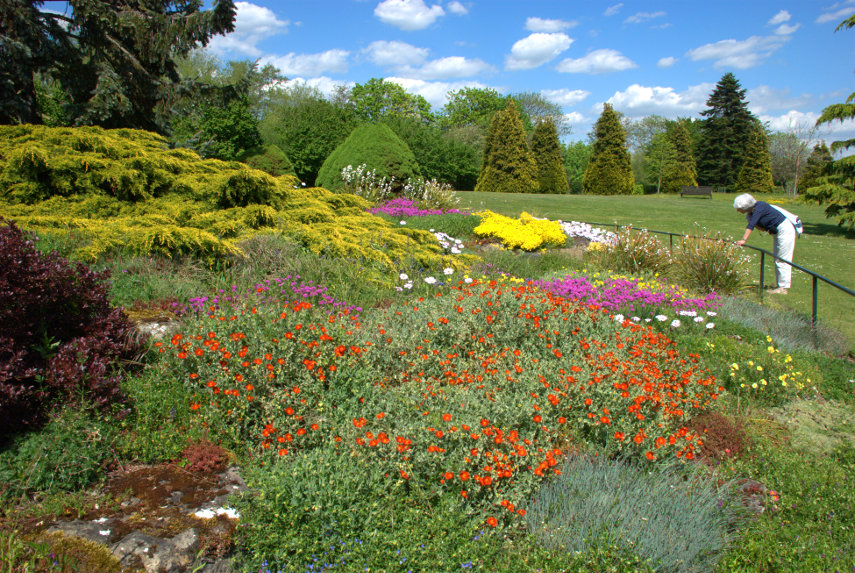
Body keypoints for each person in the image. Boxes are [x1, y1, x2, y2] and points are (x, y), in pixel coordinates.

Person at [733, 193, 797, 294]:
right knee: (777, 258)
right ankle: (780, 285)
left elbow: (751, 225)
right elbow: (760, 226)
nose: (738, 211)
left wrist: (743, 240)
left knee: (782, 259)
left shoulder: (759, 207)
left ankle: (783, 288)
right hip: (777, 231)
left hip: (785, 230)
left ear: (746, 207)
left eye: (739, 208)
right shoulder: (751, 212)